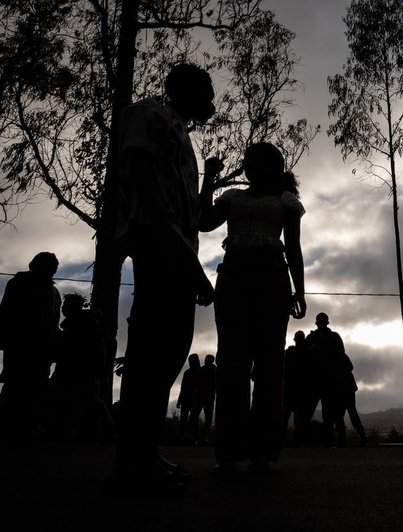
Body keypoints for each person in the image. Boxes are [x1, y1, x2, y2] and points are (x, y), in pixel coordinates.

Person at [111, 63, 216, 492]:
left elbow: (194, 214)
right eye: (206, 92)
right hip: (157, 242)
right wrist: (188, 265)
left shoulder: (180, 132)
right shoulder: (149, 114)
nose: (211, 102)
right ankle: (131, 462)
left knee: (170, 351)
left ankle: (145, 451)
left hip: (177, 248)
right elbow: (145, 184)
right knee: (153, 353)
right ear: (186, 90)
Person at [199, 140, 306, 474]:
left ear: (274, 168)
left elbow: (294, 248)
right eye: (249, 162)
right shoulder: (233, 198)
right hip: (233, 280)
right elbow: (203, 222)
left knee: (269, 365)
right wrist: (209, 178)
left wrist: (300, 291)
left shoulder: (286, 202)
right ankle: (229, 452)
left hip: (272, 280)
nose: (251, 168)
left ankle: (262, 451)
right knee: (231, 363)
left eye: (260, 163)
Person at [0, 251, 61, 445]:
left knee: (36, 389)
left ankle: (27, 431)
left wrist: (53, 344)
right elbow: (6, 313)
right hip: (20, 345)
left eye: (54, 268)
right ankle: (10, 430)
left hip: (41, 348)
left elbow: (54, 320)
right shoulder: (18, 283)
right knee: (16, 387)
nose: (53, 271)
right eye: (50, 267)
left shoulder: (53, 291)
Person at [47, 293, 112, 443]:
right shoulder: (76, 324)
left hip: (82, 370)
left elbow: (94, 349)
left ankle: (103, 432)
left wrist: (98, 369)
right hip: (72, 369)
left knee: (89, 401)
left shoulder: (85, 325)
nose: (63, 308)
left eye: (65, 306)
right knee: (75, 400)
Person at [295, 313, 349, 448]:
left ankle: (326, 440)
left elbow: (340, 354)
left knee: (328, 413)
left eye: (322, 322)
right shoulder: (313, 338)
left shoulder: (330, 337)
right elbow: (302, 356)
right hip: (317, 380)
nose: (321, 324)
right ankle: (303, 439)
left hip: (327, 380)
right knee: (311, 411)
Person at [340, 352, 367, 447]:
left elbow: (350, 367)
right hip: (347, 387)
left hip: (344, 387)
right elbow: (350, 367)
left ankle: (342, 439)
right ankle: (361, 436)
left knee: (344, 413)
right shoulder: (342, 355)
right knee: (350, 412)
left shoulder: (339, 356)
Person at [283, 330, 306, 441]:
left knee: (290, 416)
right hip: (294, 388)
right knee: (292, 416)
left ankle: (291, 439)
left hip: (293, 388)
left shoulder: (290, 352)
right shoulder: (302, 353)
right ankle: (296, 440)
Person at [189, 354, 216, 444]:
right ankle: (201, 437)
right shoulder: (212, 370)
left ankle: (199, 438)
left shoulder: (204, 370)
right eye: (206, 359)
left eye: (207, 359)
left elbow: (195, 382)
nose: (205, 361)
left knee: (200, 418)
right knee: (203, 418)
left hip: (202, 397)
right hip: (203, 397)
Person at [176, 354, 201, 442]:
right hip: (187, 399)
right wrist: (179, 401)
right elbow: (183, 387)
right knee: (186, 419)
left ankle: (192, 437)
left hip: (194, 399)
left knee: (193, 420)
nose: (191, 363)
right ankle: (185, 437)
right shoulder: (188, 372)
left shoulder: (199, 372)